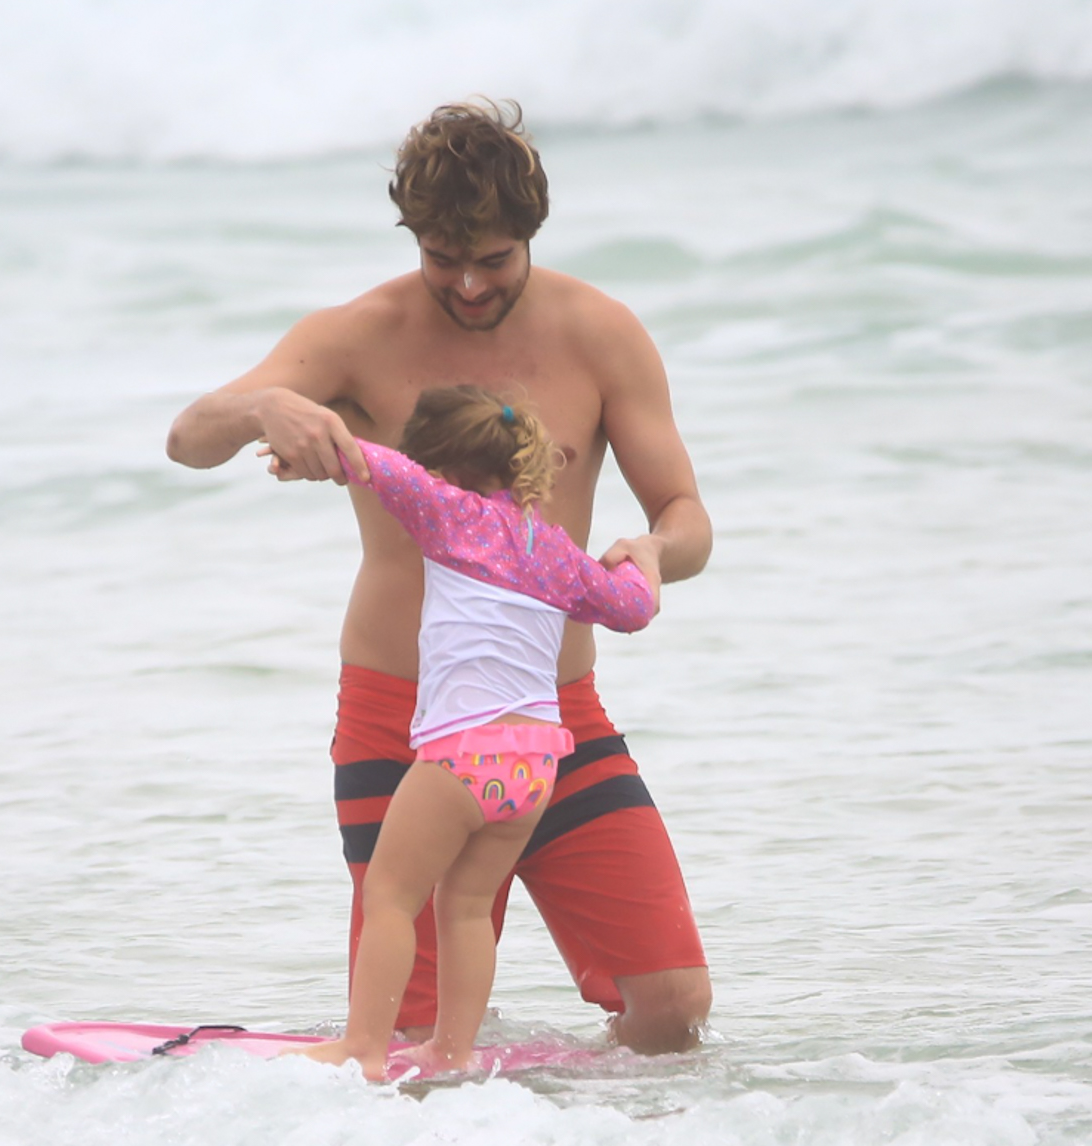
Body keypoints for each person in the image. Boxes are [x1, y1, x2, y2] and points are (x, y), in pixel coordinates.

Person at [167, 99, 713, 1053]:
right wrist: (267, 408)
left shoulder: (601, 333)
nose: (465, 284)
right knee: (406, 1029)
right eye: (439, 259)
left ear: (531, 233)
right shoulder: (356, 334)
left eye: (492, 260)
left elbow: (688, 517)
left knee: (670, 1006)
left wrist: (655, 553)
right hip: (399, 718)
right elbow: (188, 439)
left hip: (553, 719)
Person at [288, 387, 656, 1078]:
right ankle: (452, 1051)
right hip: (536, 766)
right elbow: (634, 610)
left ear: (446, 470)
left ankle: (364, 1047)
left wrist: (300, 449)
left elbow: (364, 461)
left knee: (392, 897)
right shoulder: (559, 554)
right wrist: (645, 558)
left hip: (461, 755)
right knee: (465, 908)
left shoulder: (448, 511)